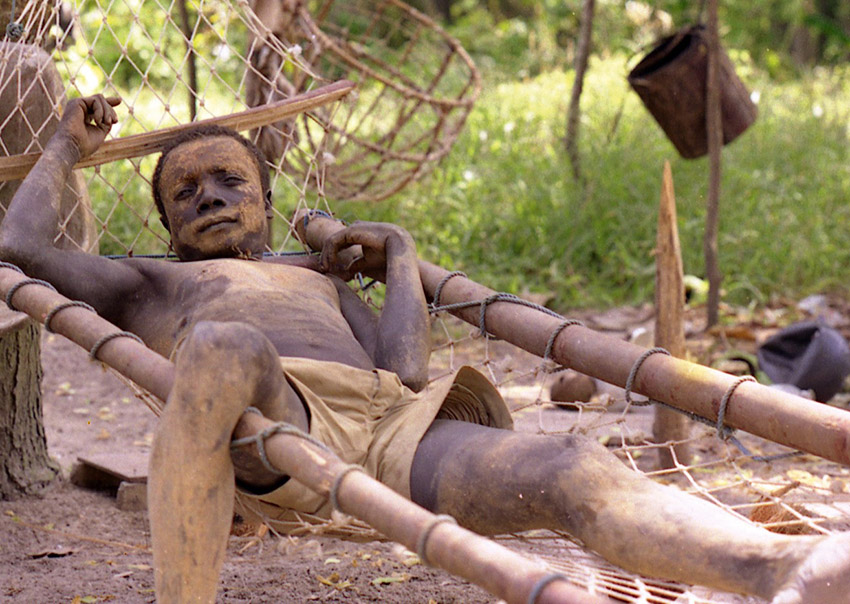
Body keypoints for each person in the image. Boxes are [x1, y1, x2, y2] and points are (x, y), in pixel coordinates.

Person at [0, 94, 847, 604]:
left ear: (266, 200)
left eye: (230, 182)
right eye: (186, 192)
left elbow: (403, 371)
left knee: (568, 462)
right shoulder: (149, 280)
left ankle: (778, 568)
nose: (210, 197)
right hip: (274, 422)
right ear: (165, 228)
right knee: (225, 341)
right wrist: (65, 148)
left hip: (392, 428)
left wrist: (401, 252)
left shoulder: (315, 274)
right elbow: (21, 249)